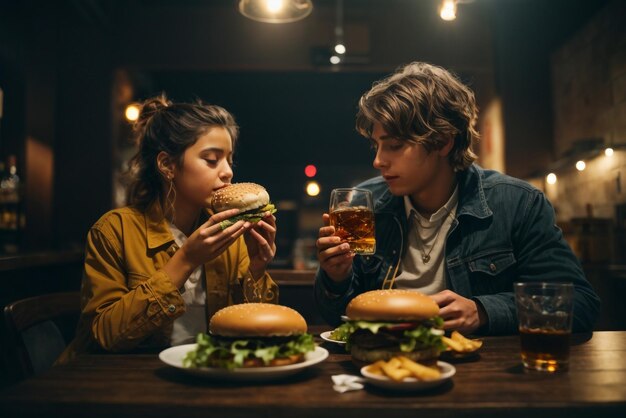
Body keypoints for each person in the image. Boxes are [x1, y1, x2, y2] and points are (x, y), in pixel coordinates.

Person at [314, 62, 600, 335]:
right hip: (380, 364)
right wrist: (336, 278)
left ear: (442, 142)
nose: (378, 161)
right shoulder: (365, 204)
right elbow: (337, 318)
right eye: (376, 146)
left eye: (395, 145)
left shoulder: (517, 203)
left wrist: (484, 311)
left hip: (480, 372)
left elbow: (580, 305)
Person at [60, 94, 277, 362]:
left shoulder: (230, 235)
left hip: (204, 374)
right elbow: (104, 335)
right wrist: (186, 259)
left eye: (229, 160)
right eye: (211, 159)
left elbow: (253, 335)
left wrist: (256, 268)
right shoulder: (114, 230)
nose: (227, 172)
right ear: (167, 165)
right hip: (119, 382)